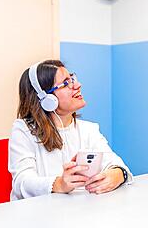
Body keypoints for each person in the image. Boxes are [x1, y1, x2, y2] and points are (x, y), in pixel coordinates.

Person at [9, 60, 132, 200]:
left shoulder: (88, 129)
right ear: (46, 99)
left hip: (80, 213)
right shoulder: (23, 130)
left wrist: (117, 174)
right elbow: (22, 182)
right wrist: (59, 184)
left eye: (72, 79)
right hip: (37, 215)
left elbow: (116, 164)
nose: (78, 85)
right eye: (66, 83)